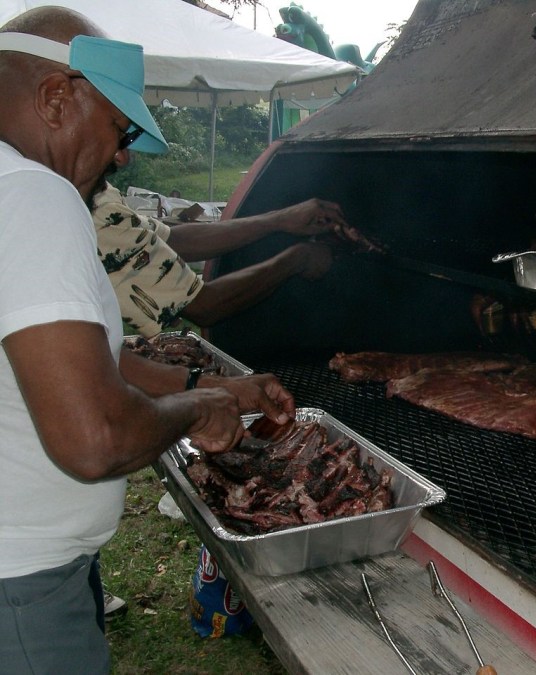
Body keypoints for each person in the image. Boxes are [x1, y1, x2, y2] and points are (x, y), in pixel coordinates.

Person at [0, 8, 297, 672]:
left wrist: (216, 386)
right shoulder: (33, 196)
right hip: (20, 592)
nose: (124, 155)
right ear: (56, 98)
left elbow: (83, 362)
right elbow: (95, 438)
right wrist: (199, 410)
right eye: (121, 127)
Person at [91, 180, 369, 336]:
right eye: (119, 132)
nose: (123, 156)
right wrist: (297, 259)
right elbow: (202, 306)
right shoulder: (88, 208)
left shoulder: (98, 195)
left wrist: (279, 220)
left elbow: (171, 240)